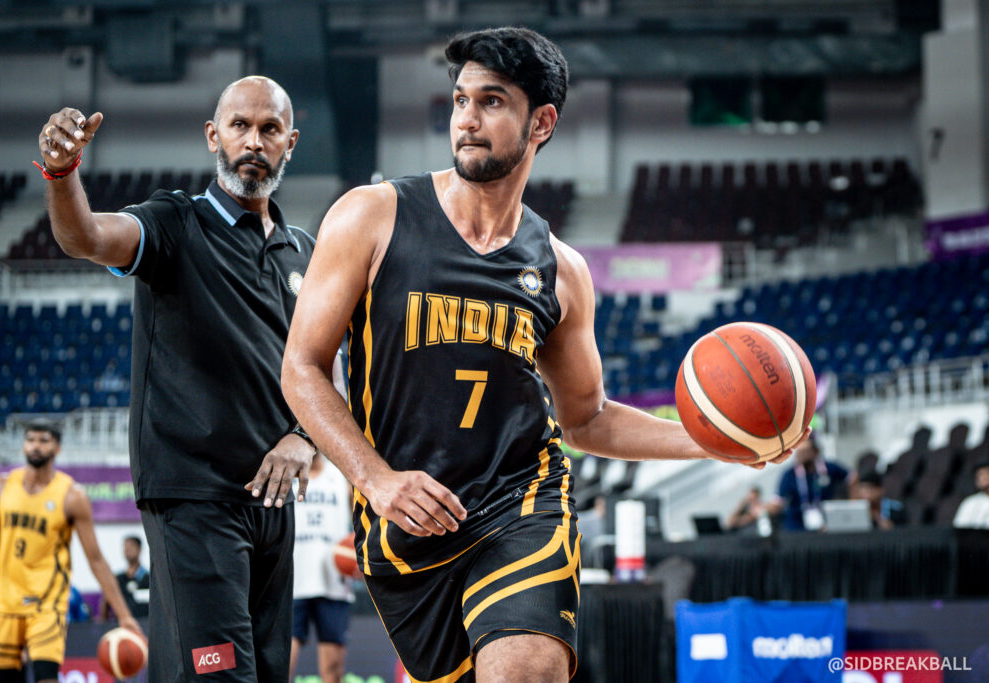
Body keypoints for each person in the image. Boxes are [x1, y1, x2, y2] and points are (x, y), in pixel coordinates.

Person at [280, 27, 805, 682]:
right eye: (460, 101)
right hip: (406, 528)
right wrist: (376, 477)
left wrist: (716, 440)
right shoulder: (370, 217)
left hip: (521, 503)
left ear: (542, 122)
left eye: (492, 102)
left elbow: (587, 419)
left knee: (523, 668)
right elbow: (301, 366)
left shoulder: (562, 272)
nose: (467, 119)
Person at [37, 76, 317, 681]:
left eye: (269, 129)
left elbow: (328, 364)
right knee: (218, 677)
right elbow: (84, 236)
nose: (253, 141)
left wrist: (305, 436)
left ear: (289, 143)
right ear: (213, 136)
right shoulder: (174, 223)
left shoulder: (306, 253)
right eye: (240, 126)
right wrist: (63, 176)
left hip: (273, 506)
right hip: (194, 497)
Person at [0, 421, 142, 683]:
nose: (36, 446)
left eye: (43, 440)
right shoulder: (2, 486)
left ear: (57, 447)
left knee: (46, 676)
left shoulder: (72, 495)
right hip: (5, 603)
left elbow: (96, 560)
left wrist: (125, 616)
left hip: (46, 606)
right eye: (31, 439)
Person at [289, 455, 355, 683]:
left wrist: (360, 555)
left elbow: (364, 526)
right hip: (292, 582)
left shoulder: (341, 478)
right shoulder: (286, 477)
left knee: (333, 670)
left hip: (334, 583)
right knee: (282, 667)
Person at [772, 433, 849, 531]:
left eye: (805, 451)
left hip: (826, 517)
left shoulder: (828, 468)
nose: (801, 455)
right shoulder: (789, 474)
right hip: (797, 522)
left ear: (815, 452)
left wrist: (850, 499)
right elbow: (779, 500)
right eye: (799, 452)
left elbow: (852, 477)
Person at [99, 536, 149, 621]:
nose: (127, 550)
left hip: (145, 624)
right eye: (125, 547)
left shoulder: (148, 578)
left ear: (139, 549)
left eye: (131, 546)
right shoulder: (117, 579)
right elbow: (106, 602)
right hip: (123, 625)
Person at [953, 461, 989, 529]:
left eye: (987, 473)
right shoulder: (970, 502)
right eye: (980, 475)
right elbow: (959, 528)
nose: (984, 478)